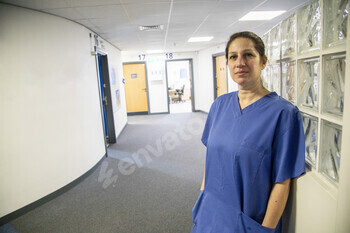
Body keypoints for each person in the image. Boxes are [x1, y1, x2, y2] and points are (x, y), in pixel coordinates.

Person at [191, 31, 305, 233]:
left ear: (263, 62)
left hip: (247, 223)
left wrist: (265, 230)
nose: (239, 62)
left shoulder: (283, 114)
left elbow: (282, 182)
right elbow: (212, 160)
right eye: (233, 56)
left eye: (248, 55)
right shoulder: (219, 105)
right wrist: (201, 199)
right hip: (209, 215)